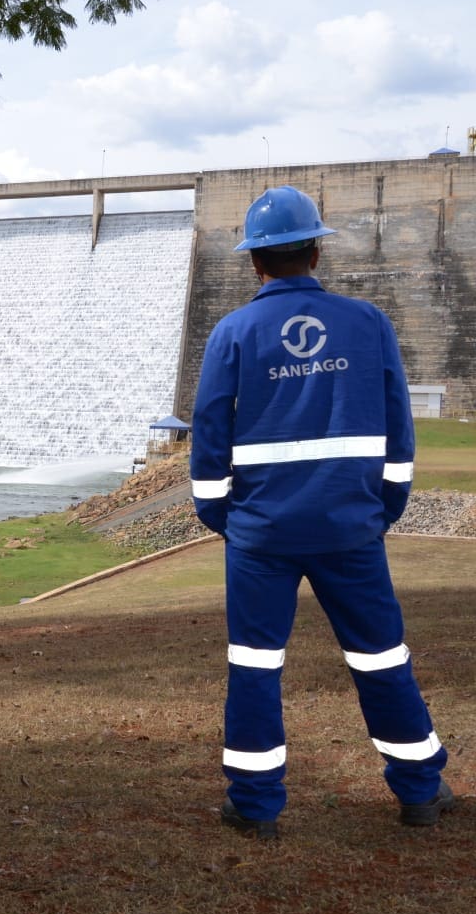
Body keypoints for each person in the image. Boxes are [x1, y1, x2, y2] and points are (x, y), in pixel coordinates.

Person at [190, 185, 453, 840]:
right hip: (350, 528)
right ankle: (420, 793)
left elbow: (208, 436)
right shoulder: (367, 323)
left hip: (260, 534)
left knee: (255, 665)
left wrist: (224, 516)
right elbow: (399, 430)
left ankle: (254, 808)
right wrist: (381, 507)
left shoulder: (233, 333)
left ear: (255, 262)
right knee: (381, 658)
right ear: (315, 251)